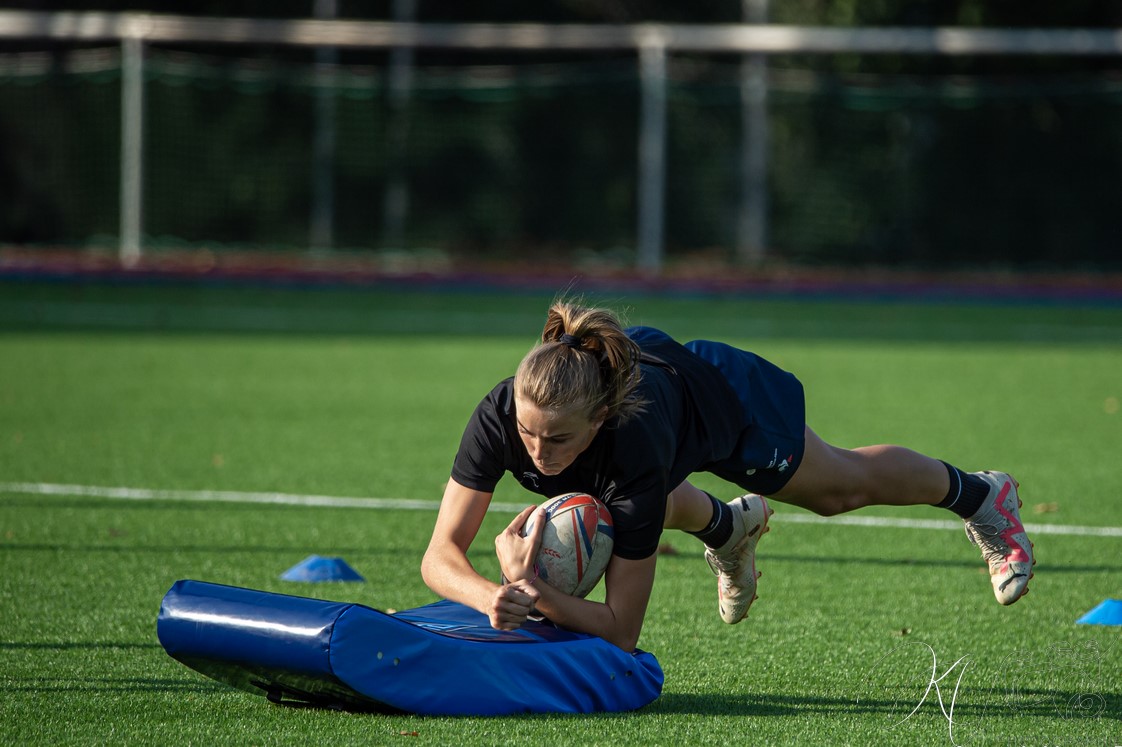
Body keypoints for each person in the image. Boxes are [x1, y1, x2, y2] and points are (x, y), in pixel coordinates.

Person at [420, 300, 1035, 653]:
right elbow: (438, 556)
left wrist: (530, 588)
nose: (536, 452)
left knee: (840, 490)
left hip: (722, 402)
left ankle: (983, 496)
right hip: (654, 406)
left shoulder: (634, 448)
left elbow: (622, 632)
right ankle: (729, 530)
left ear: (600, 417)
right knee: (621, 505)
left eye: (557, 439)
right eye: (527, 433)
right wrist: (491, 597)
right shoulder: (500, 415)